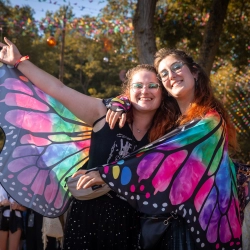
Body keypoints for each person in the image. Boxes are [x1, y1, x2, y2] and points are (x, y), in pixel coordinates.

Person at [0, 37, 178, 250]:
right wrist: (20, 61)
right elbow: (59, 89)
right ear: (127, 91)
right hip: (87, 218)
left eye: (153, 86)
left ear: (162, 92)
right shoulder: (102, 112)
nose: (145, 91)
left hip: (133, 225)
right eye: (138, 85)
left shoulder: (168, 133)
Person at [78, 48, 241, 250]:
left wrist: (108, 173)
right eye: (164, 74)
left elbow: (162, 156)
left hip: (195, 231)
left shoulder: (209, 122)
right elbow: (143, 93)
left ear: (195, 72)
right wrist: (122, 101)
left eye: (176, 67)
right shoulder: (173, 122)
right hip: (167, 229)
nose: (171, 76)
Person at [0, 184, 26, 250]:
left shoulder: (21, 184)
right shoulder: (1, 182)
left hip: (16, 218)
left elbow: (26, 208)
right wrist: (1, 203)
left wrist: (17, 207)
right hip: (2, 218)